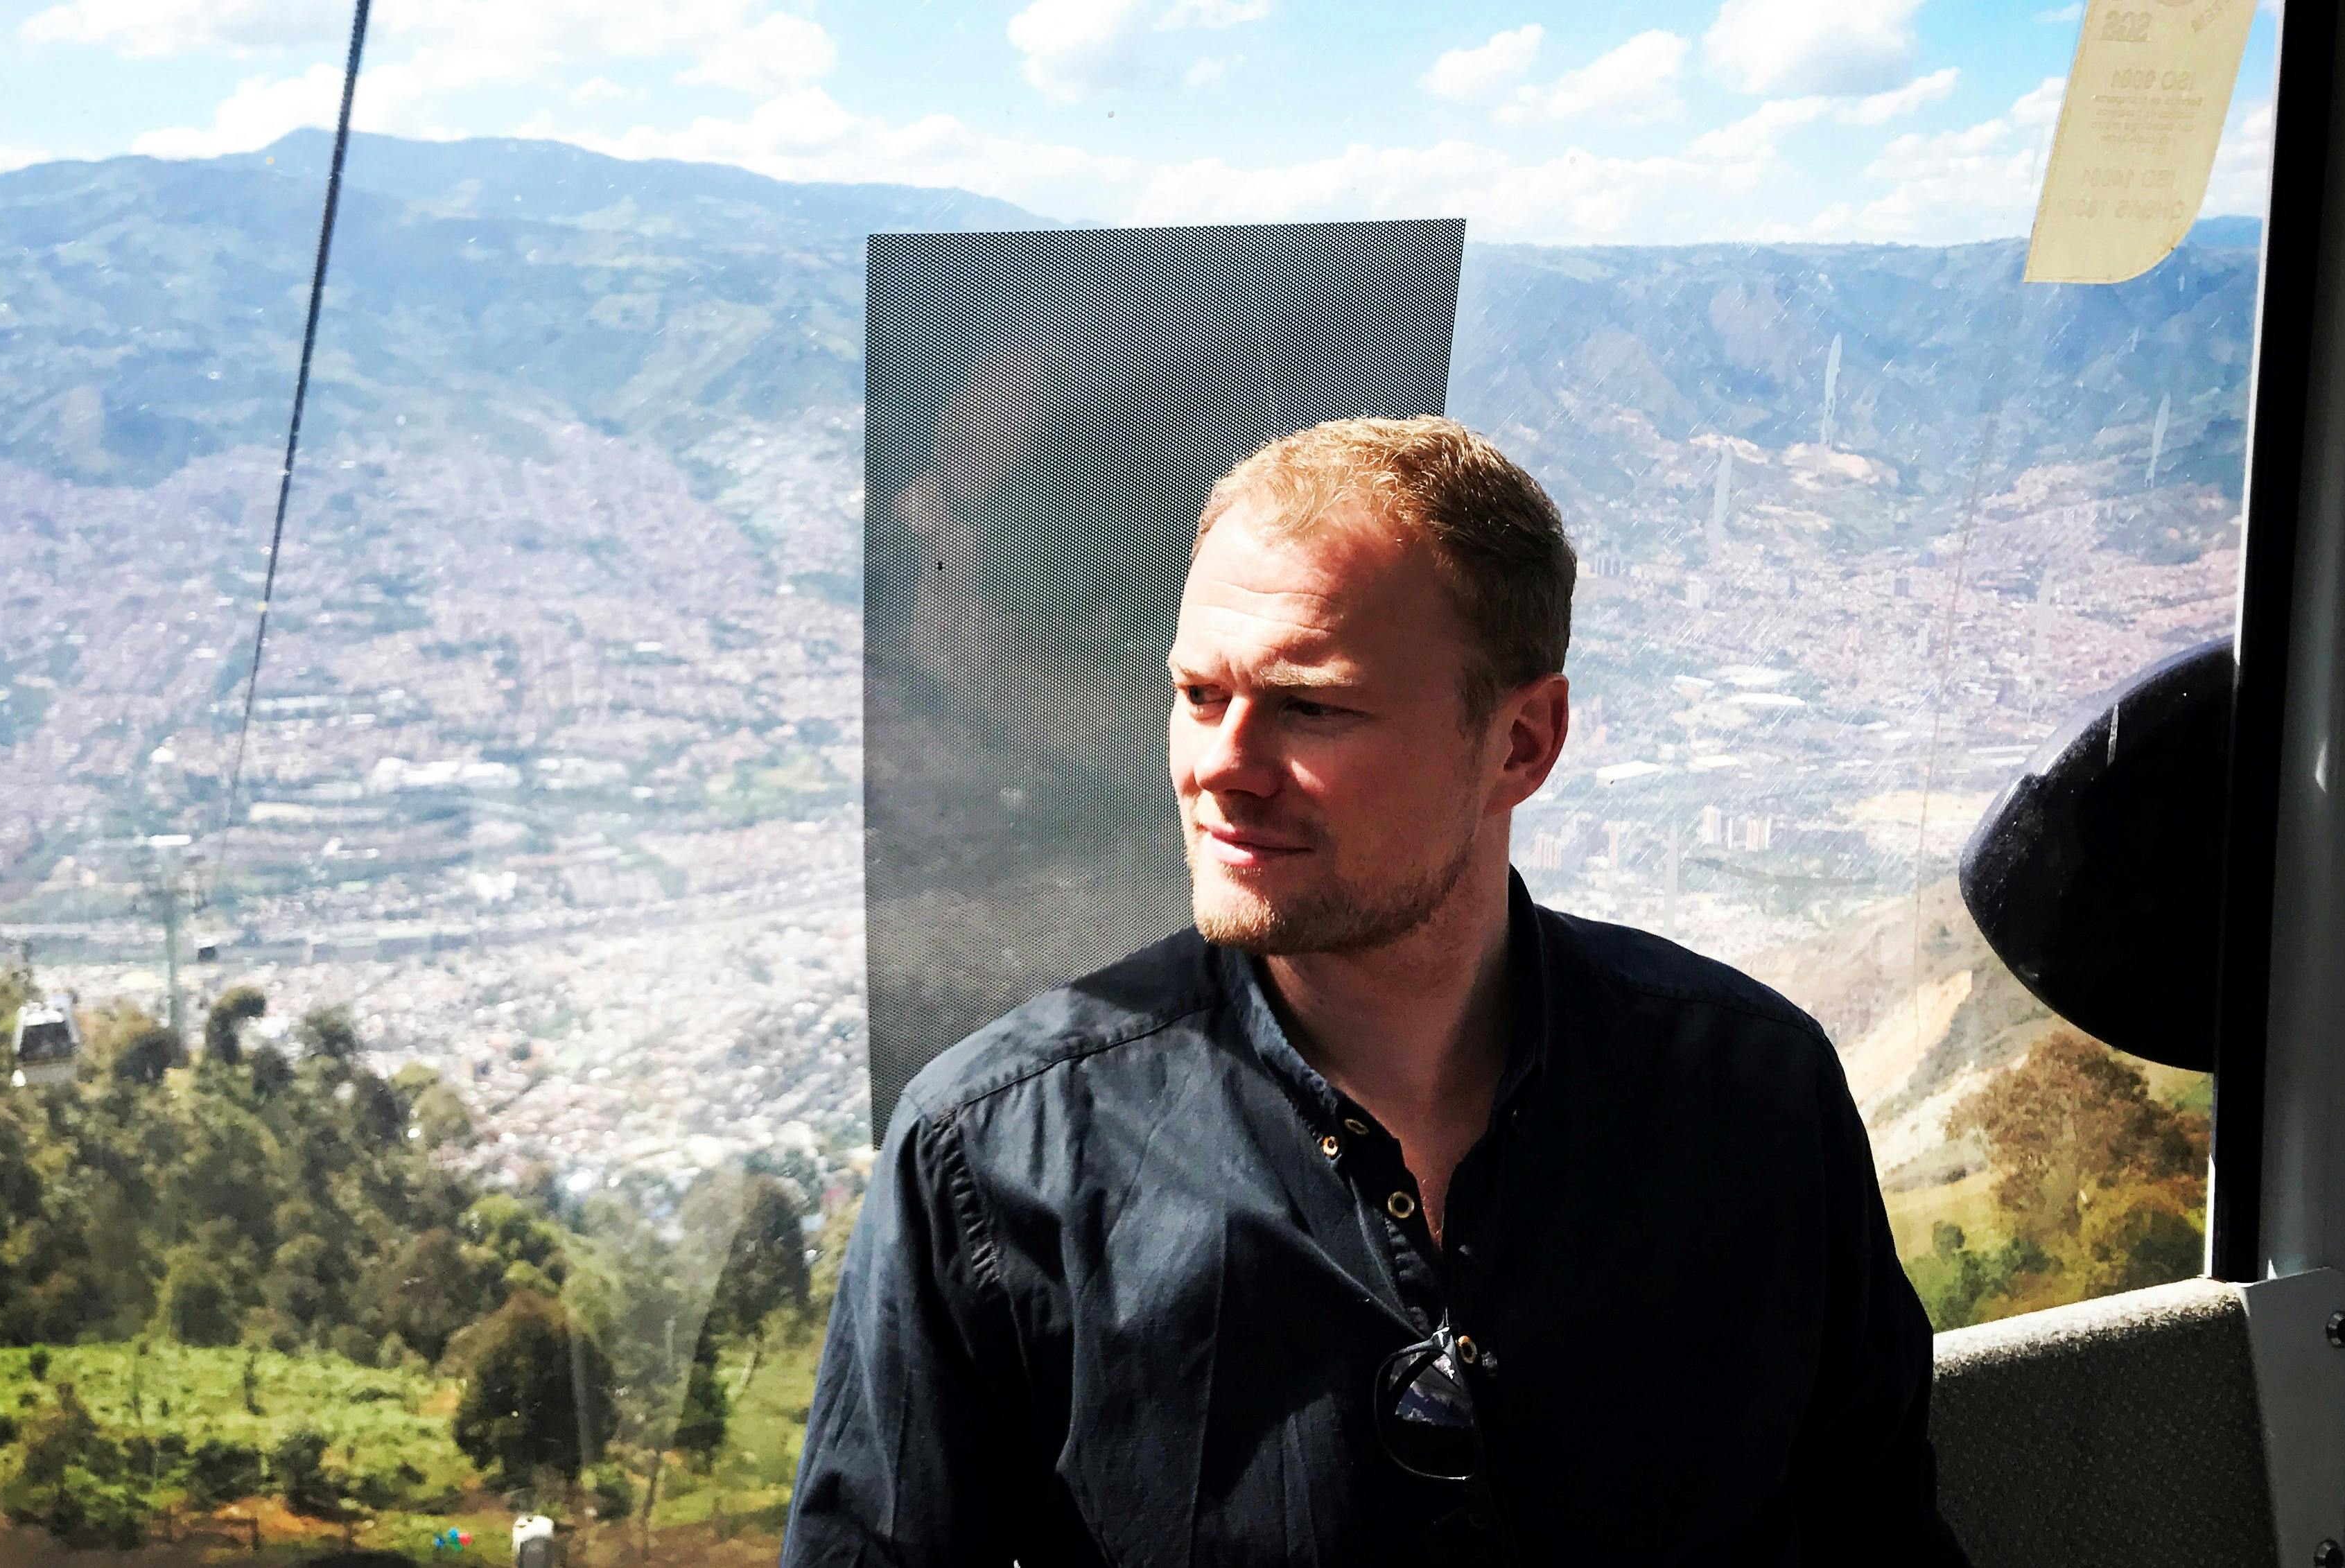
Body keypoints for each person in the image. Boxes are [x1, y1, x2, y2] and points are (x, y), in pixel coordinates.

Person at [783, 417, 1967, 1565]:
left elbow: (1881, 1534)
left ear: (1522, 743)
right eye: (1199, 694)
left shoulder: (1752, 1095)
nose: (1222, 768)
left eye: (1309, 705)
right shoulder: (995, 1161)